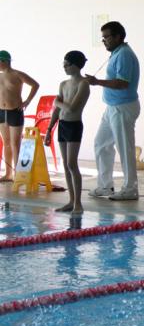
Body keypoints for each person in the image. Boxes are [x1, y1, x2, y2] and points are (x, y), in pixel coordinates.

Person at [85, 21, 141, 201]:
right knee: (101, 144)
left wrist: (97, 82)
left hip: (123, 107)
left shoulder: (124, 54)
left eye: (107, 37)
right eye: (103, 38)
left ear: (119, 36)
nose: (104, 41)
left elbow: (122, 83)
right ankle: (105, 185)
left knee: (125, 148)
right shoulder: (117, 53)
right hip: (112, 107)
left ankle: (130, 188)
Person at [45, 51, 91, 215]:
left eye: (66, 64)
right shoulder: (63, 84)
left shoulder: (83, 84)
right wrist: (50, 129)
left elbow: (72, 108)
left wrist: (57, 101)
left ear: (75, 65)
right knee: (65, 164)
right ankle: (71, 201)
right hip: (63, 125)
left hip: (74, 126)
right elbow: (57, 110)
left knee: (72, 163)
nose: (64, 67)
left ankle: (78, 203)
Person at [0, 50, 39, 181]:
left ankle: (18, 174)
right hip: (1, 112)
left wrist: (27, 101)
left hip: (14, 112)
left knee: (15, 143)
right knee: (6, 143)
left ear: (4, 61)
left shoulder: (17, 74)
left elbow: (35, 84)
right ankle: (8, 174)